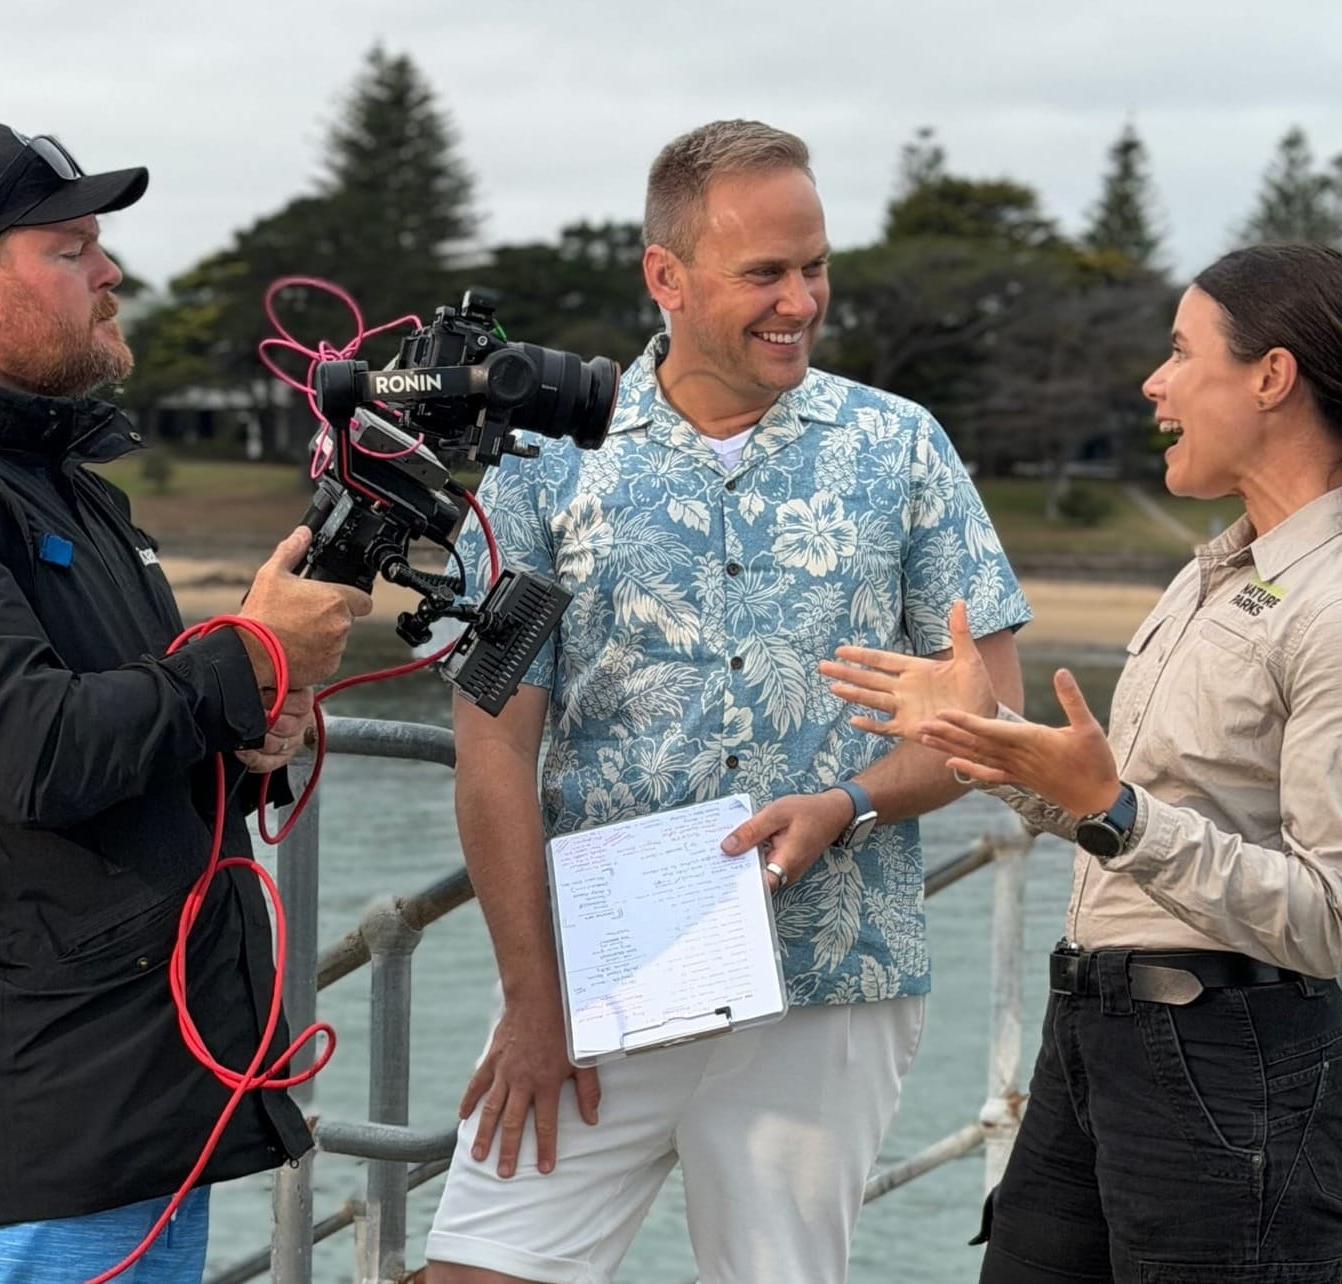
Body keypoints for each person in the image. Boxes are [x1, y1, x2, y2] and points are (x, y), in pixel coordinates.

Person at [424, 119, 1032, 1284]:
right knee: (471, 1267)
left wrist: (845, 803)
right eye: (763, 273)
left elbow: (987, 726)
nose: (798, 301)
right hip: (597, 979)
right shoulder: (542, 464)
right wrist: (530, 1002)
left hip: (826, 978)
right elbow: (491, 749)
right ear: (666, 276)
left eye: (813, 268)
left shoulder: (900, 448)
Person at [823, 243, 1342, 1283]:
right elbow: (1117, 810)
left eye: (1179, 352)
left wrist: (1115, 811)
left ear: (1268, 378)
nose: (1152, 381)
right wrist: (984, 744)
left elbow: (1333, 918)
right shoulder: (1215, 574)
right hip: (1098, 1043)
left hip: (1235, 1079)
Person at [0, 122, 373, 1281]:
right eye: (70, 249)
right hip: (30, 1119)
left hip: (137, 1101)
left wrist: (257, 732)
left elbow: (138, 719)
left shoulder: (66, 487)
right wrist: (248, 653)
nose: (111, 275)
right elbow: (26, 751)